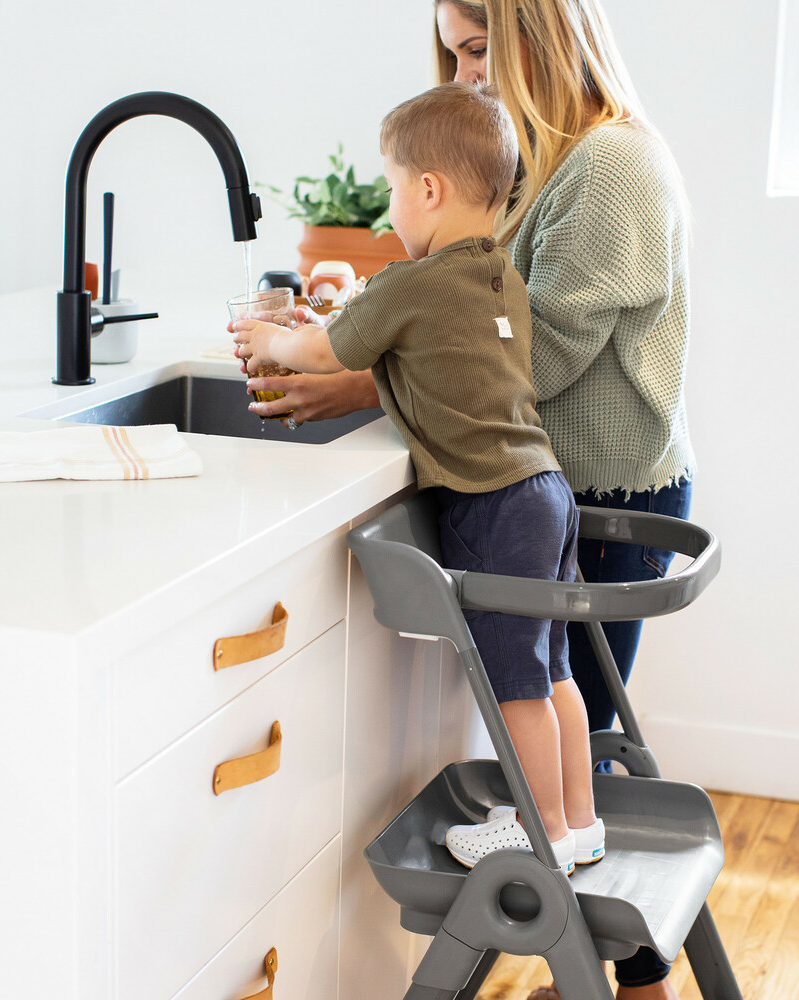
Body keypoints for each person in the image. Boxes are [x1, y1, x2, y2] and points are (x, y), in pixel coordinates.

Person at [249, 3, 695, 995]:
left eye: (480, 45)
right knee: (562, 701)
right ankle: (592, 940)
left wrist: (353, 368)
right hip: (554, 485)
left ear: (543, 31)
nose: (465, 71)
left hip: (597, 483)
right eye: (452, 48)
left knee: (540, 701)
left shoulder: (609, 168)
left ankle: (624, 976)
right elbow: (478, 318)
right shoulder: (538, 157)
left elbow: (523, 358)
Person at [232, 81, 607, 878]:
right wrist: (337, 322)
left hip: (497, 506)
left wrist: (270, 335)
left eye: (394, 188)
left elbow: (330, 353)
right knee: (556, 671)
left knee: (514, 682)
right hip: (546, 492)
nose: (390, 211)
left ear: (428, 189)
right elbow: (408, 341)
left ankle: (537, 830)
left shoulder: (413, 283)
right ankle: (578, 820)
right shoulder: (497, 276)